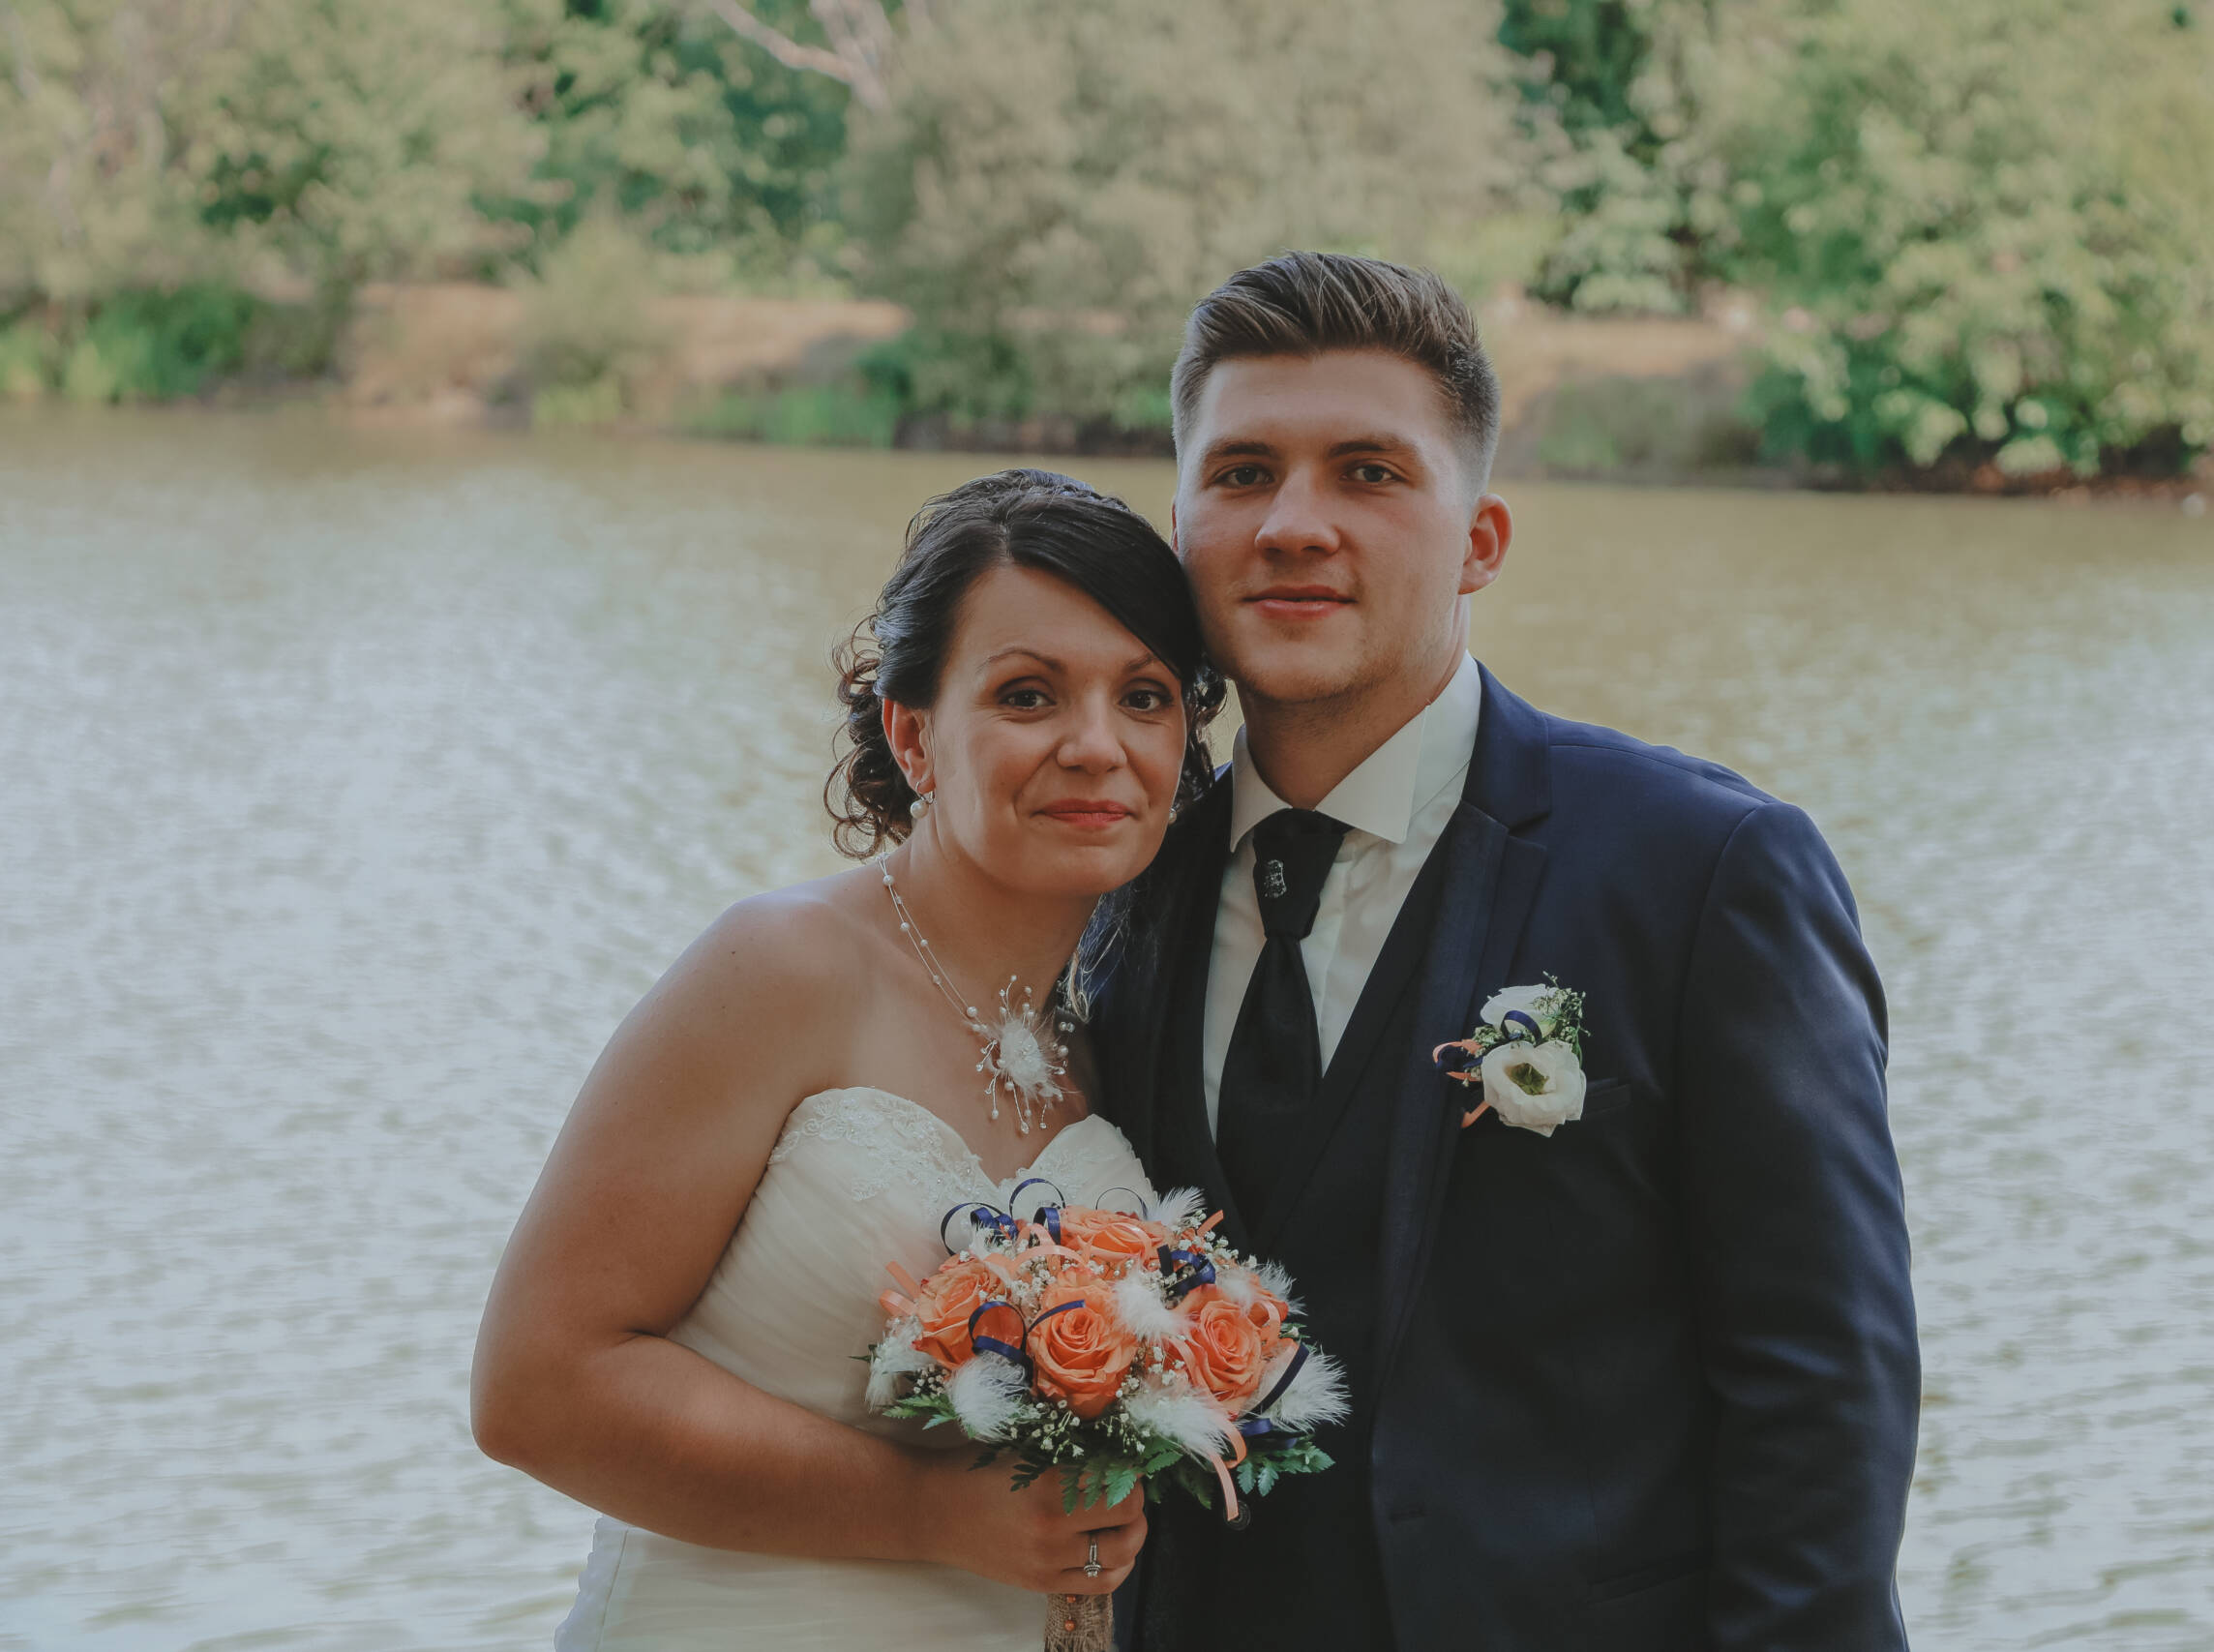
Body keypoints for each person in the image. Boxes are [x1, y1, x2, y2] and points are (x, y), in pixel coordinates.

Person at [1094, 253, 1920, 1650]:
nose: (1295, 522)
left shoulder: (1705, 870)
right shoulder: (1115, 872)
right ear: (1180, 522)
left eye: (1369, 472)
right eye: (1240, 474)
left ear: (1480, 538)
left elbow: (1822, 1388)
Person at [471, 470, 1222, 1650]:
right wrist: (926, 1515)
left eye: (1145, 697)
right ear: (913, 734)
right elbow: (537, 1390)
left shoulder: (1111, 1025)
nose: (1097, 745)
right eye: (1029, 695)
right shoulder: (781, 970)